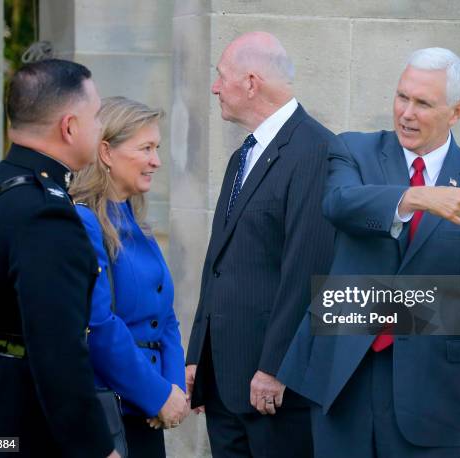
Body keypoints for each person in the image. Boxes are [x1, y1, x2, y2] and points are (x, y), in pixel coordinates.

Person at [278, 47, 460, 457]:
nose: (406, 113)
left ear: (457, 111)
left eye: (423, 103)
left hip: (435, 389)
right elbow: (339, 203)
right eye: (402, 97)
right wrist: (415, 198)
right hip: (342, 378)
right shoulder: (352, 150)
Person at [0, 59, 120, 457]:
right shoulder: (46, 213)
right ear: (69, 126)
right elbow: (58, 351)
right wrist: (97, 448)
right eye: (96, 117)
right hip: (15, 419)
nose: (100, 129)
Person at [185, 32, 335, 457]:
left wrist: (274, 367)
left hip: (271, 390)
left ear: (251, 82)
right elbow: (219, 262)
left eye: (221, 76)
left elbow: (307, 272)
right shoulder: (242, 155)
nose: (215, 87)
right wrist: (198, 354)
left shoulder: (315, 150)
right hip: (223, 384)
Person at [70, 96, 189, 458]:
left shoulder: (137, 223)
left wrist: (173, 389)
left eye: (157, 148)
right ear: (106, 152)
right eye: (146, 148)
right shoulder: (84, 222)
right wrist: (154, 394)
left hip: (149, 410)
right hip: (113, 411)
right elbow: (99, 325)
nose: (156, 161)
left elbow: (166, 318)